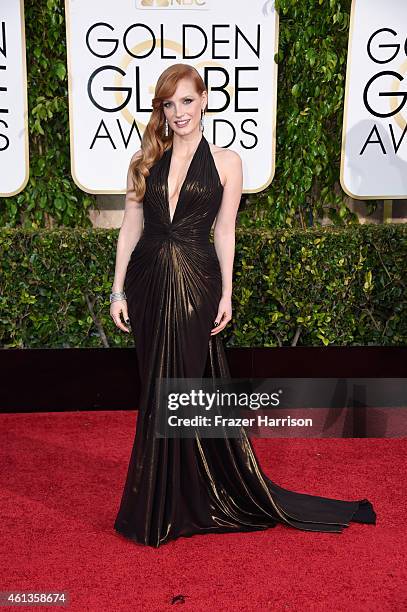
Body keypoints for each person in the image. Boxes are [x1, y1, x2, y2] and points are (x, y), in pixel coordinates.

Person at [110, 63, 376, 548]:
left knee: (183, 388)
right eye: (169, 104)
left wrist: (227, 291)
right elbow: (129, 229)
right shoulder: (145, 159)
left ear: (205, 99)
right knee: (154, 389)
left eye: (187, 101)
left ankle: (185, 497)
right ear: (162, 110)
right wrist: (118, 290)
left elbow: (224, 230)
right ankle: (161, 500)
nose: (179, 112)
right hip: (148, 281)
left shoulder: (228, 161)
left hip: (196, 282)